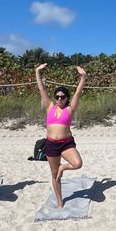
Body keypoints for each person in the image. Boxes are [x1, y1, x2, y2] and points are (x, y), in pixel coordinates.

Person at [35, 63, 87, 208]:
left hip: (66, 143)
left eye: (62, 97)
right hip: (51, 144)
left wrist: (83, 78)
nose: (59, 99)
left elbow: (78, 93)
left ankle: (63, 168)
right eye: (57, 97)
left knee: (77, 163)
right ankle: (59, 200)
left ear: (66, 98)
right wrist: (37, 72)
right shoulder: (50, 107)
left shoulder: (70, 109)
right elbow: (41, 89)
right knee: (54, 174)